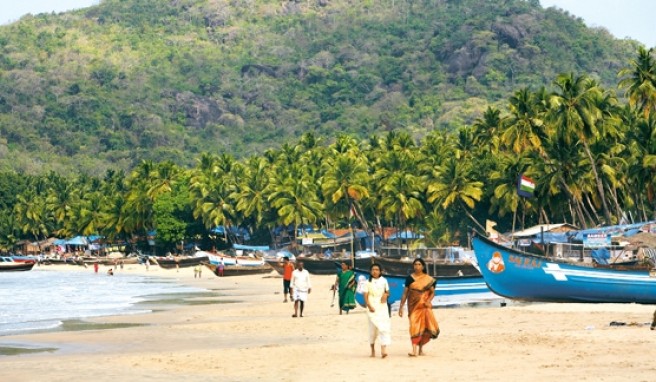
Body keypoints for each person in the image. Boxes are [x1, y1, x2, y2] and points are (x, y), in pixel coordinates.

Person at [399, 258, 440, 357]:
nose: (417, 266)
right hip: (412, 305)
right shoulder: (409, 278)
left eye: (419, 264)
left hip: (423, 305)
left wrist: (428, 301)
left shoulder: (429, 279)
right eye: (415, 265)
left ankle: (420, 349)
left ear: (423, 266)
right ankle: (414, 350)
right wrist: (401, 307)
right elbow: (405, 294)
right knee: (414, 326)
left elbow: (432, 293)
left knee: (424, 327)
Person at [364, 263, 390, 358]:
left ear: (380, 271)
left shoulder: (384, 281)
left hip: (382, 306)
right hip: (372, 306)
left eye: (377, 270)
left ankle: (383, 349)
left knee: (384, 327)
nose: (375, 271)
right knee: (372, 329)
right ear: (370, 271)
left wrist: (385, 295)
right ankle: (372, 349)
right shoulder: (367, 283)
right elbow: (365, 296)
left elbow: (388, 292)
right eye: (373, 270)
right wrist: (369, 306)